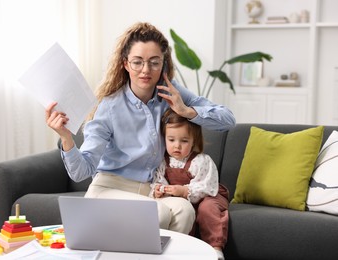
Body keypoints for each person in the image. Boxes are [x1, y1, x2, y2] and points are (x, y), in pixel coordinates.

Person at [46, 22, 235, 236]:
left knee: (184, 210)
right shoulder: (109, 106)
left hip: (148, 189)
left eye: (154, 62)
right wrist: (66, 138)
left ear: (163, 65)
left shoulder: (171, 93)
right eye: (138, 62)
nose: (146, 70)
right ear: (126, 64)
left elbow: (227, 120)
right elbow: (82, 171)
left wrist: (186, 110)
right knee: (160, 213)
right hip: (109, 189)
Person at [150, 108, 229, 260]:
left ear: (194, 141)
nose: (177, 146)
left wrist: (184, 191)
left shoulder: (201, 161)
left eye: (184, 141)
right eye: (171, 140)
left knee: (207, 209)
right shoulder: (162, 162)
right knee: (182, 212)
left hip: (208, 195)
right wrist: (159, 190)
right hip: (182, 200)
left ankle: (216, 247)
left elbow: (206, 186)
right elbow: (158, 180)